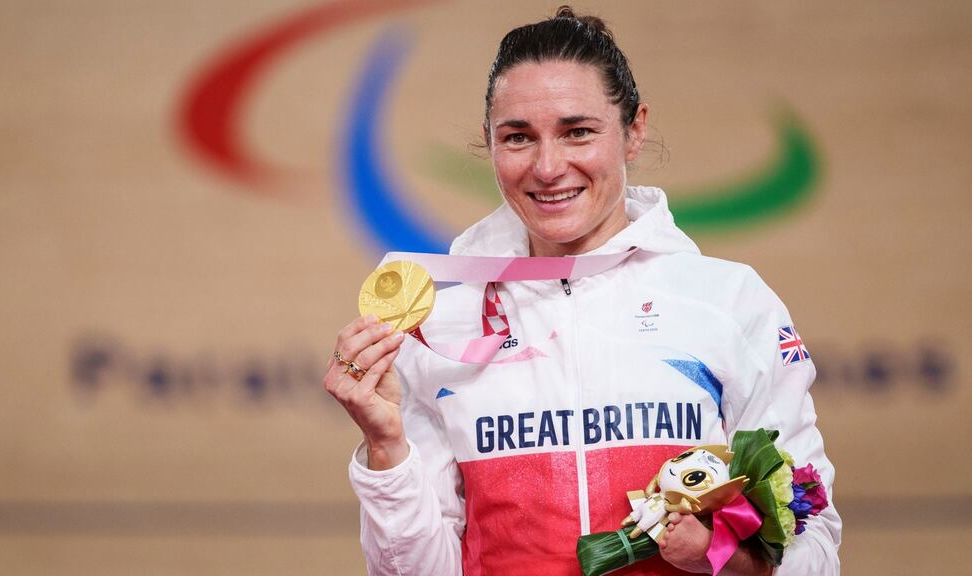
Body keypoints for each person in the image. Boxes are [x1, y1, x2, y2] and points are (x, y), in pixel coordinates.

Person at [325, 6, 841, 575]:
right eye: (518, 137)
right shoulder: (444, 324)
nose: (548, 167)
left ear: (634, 129)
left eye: (578, 132)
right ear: (489, 143)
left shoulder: (728, 303)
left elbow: (811, 539)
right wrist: (386, 449)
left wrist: (728, 558)